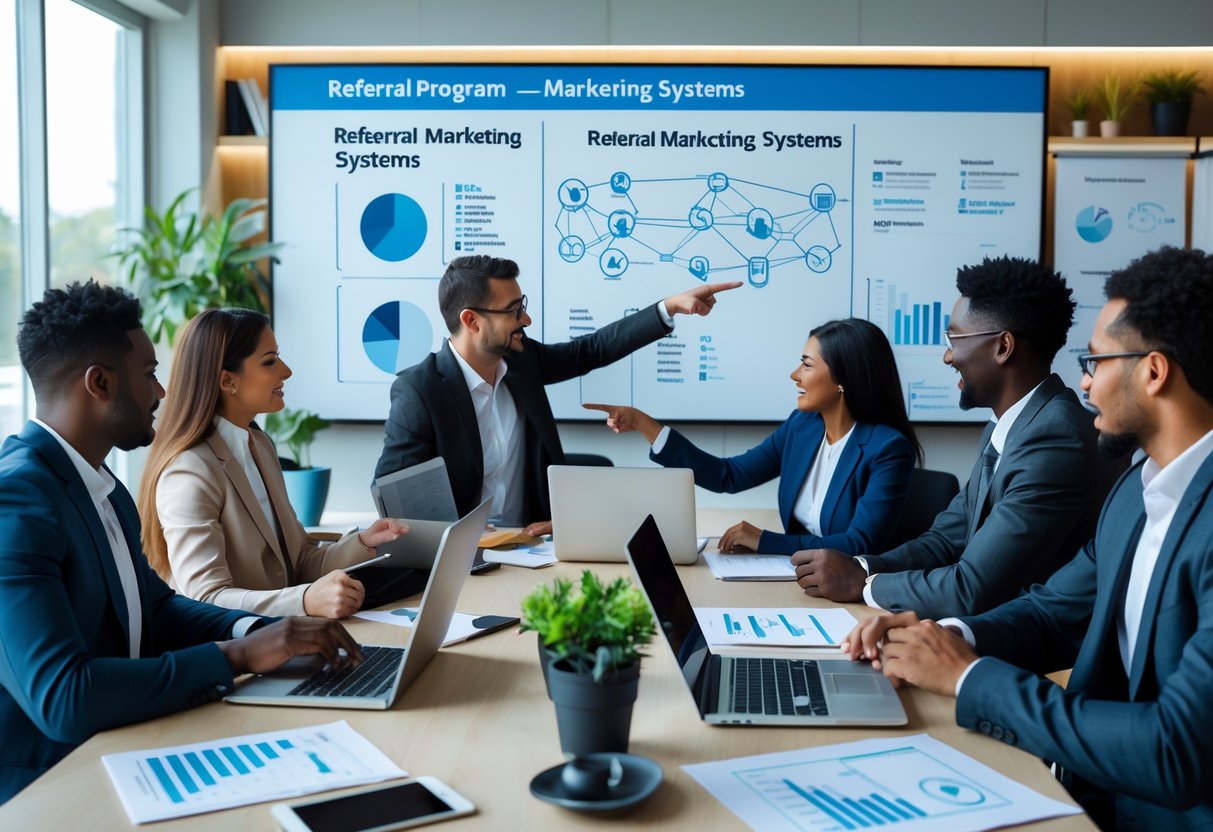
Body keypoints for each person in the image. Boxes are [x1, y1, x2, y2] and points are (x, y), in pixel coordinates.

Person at [843, 247, 1213, 830]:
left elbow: (1174, 751)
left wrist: (967, 678)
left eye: (1096, 362)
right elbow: (1052, 612)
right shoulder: (1135, 496)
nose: (1085, 383)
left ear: (1153, 371)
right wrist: (942, 635)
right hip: (1087, 790)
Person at [0, 282, 363, 804]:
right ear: (99, 383)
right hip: (54, 787)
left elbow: (159, 607)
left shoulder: (101, 486)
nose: (163, 392)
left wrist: (273, 632)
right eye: (149, 375)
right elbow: (64, 697)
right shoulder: (18, 501)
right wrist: (237, 654)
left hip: (132, 746)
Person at [793, 255, 1113, 618]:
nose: (947, 356)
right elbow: (945, 540)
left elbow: (970, 588)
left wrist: (861, 586)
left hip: (1039, 651)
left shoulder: (1055, 439)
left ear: (1003, 347)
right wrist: (861, 567)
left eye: (954, 338)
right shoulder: (1006, 427)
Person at [374, 254, 741, 535]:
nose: (527, 321)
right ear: (472, 321)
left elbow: (590, 350)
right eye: (514, 311)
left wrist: (669, 307)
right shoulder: (419, 391)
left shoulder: (522, 360)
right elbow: (395, 498)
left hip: (533, 549)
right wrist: (457, 537)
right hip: (462, 561)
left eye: (524, 305)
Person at [138, 308, 410, 619]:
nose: (286, 371)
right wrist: (304, 601)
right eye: (269, 361)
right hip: (237, 651)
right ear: (228, 381)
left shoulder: (260, 446)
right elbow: (206, 599)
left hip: (288, 636)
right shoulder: (189, 471)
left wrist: (362, 542)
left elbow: (299, 563)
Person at [584, 318, 920, 555]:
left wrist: (766, 541)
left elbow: (859, 544)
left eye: (806, 365)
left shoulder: (887, 449)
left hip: (851, 596)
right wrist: (645, 424)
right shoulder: (802, 427)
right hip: (802, 579)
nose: (794, 374)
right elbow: (728, 475)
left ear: (842, 380)